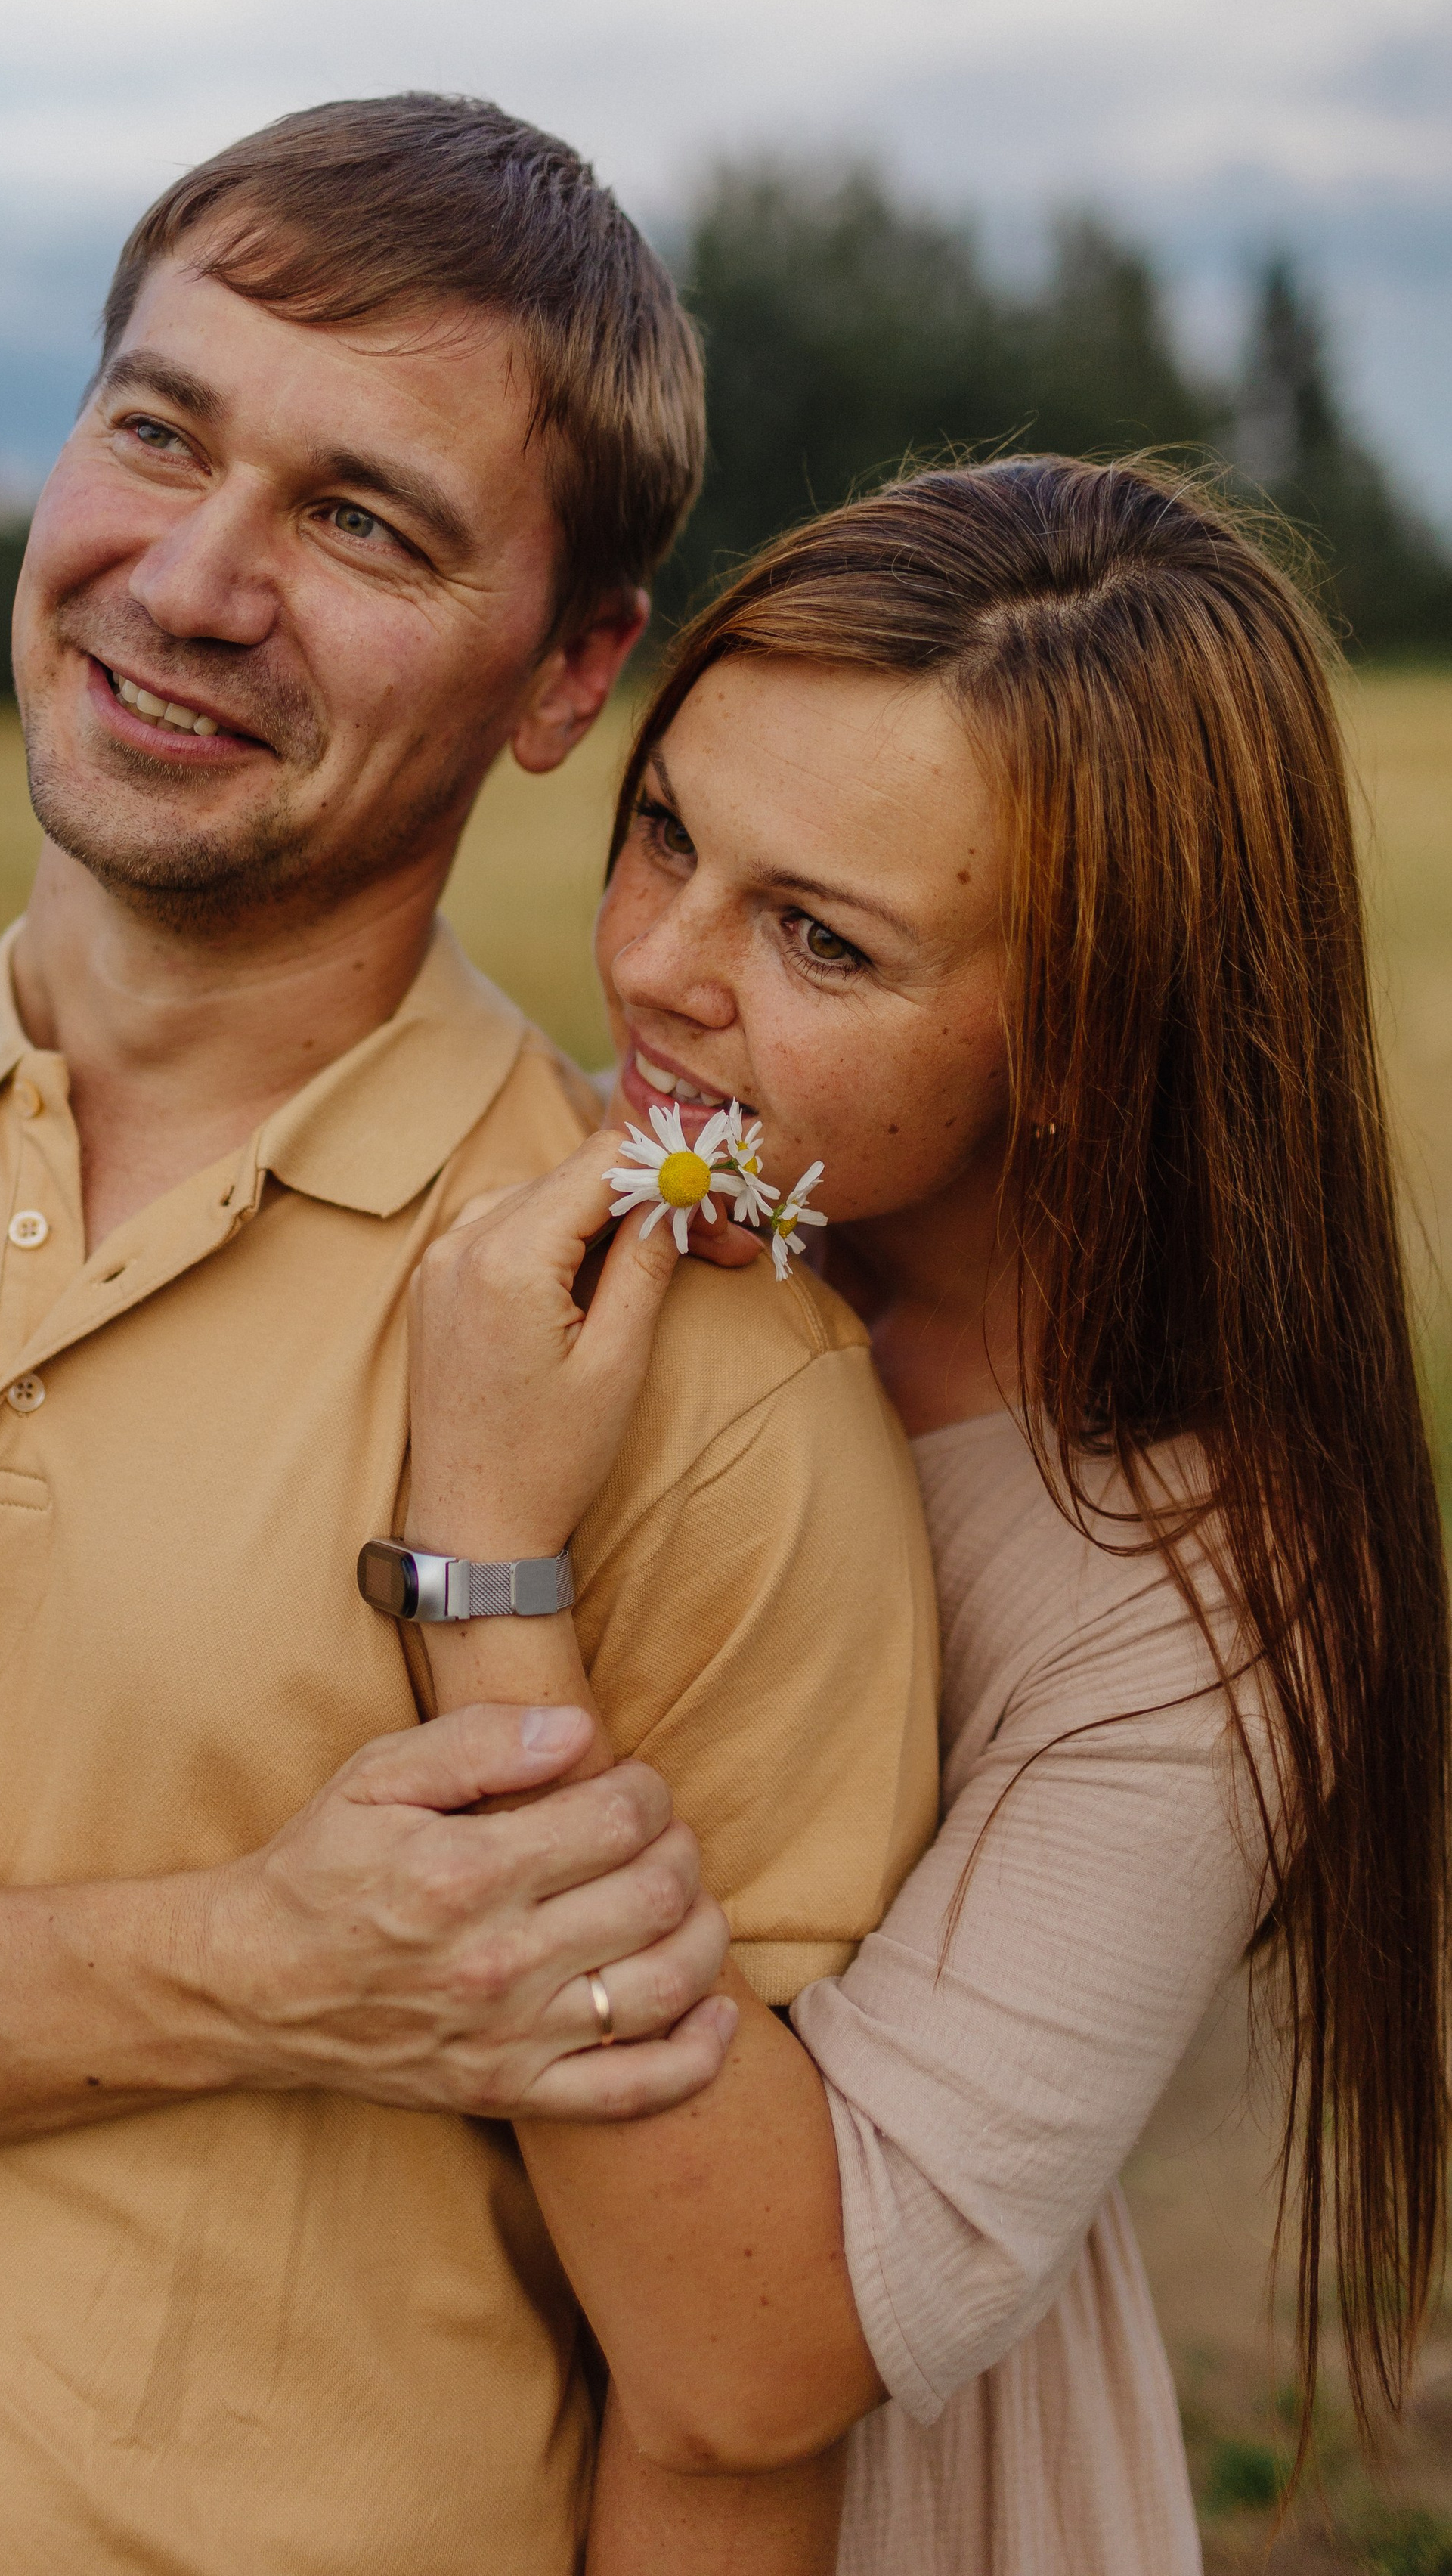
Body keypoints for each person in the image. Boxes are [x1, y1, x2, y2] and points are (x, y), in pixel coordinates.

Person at [0, 95, 936, 2575]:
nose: (189, 579)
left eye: (364, 521)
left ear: (568, 673)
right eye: (158, 432)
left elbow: (730, 2400)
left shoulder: (683, 1372)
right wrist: (254, 1970)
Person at [400, 454, 1450, 2571]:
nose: (661, 973)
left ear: (1087, 1029)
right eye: (667, 834)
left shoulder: (1209, 1592)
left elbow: (758, 2355)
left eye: (819, 937)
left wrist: (491, 1578)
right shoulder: (580, 1225)